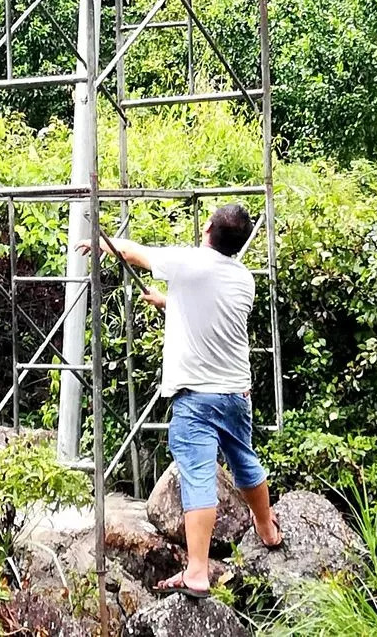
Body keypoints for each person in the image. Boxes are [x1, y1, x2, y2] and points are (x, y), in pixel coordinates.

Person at [77, 204, 283, 598]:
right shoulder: (244, 280)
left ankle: (198, 571)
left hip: (196, 398)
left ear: (207, 228)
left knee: (198, 476)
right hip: (236, 394)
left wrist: (99, 244)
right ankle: (267, 528)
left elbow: (134, 252)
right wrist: (168, 301)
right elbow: (211, 312)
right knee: (245, 461)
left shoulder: (188, 263)